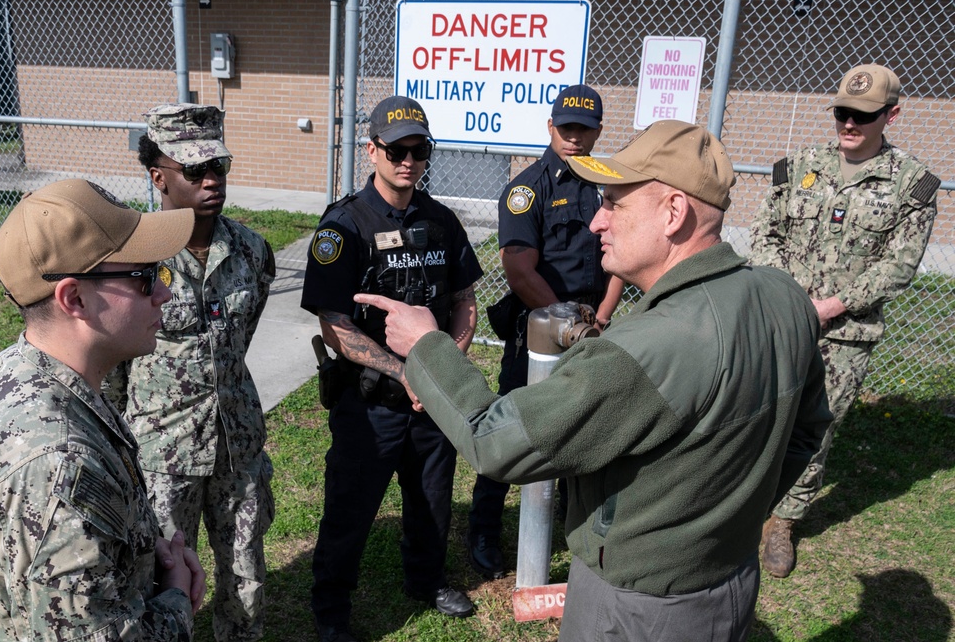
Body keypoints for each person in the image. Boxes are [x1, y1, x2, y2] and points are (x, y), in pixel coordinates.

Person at [355, 120, 833, 641]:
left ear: (673, 213)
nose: (596, 222)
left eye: (615, 204)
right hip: (731, 583)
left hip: (635, 608)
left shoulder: (646, 349)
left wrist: (427, 345)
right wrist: (726, 522)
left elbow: (496, 443)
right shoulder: (785, 298)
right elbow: (807, 432)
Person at [0, 178, 205, 640]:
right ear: (74, 298)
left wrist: (150, 556)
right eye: (146, 276)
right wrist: (175, 597)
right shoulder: (57, 465)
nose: (164, 294)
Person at [301, 95, 483, 642]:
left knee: (432, 499)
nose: (408, 160)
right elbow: (333, 323)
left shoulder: (442, 221)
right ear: (371, 149)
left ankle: (426, 580)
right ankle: (332, 605)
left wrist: (443, 367)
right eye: (397, 149)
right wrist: (407, 375)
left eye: (419, 149)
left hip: (432, 398)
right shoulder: (345, 226)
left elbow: (465, 300)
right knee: (350, 510)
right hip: (370, 401)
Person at [750, 63, 939, 578]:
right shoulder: (799, 165)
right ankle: (742, 504)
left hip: (845, 334)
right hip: (780, 317)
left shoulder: (912, 185)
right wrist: (787, 294)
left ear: (891, 114)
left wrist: (832, 306)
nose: (849, 124)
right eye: (842, 112)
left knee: (816, 425)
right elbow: (765, 234)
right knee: (758, 412)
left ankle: (784, 520)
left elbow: (898, 266)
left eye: (863, 115)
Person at [103, 103, 277, 641]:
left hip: (237, 446)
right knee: (162, 582)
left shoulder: (250, 250)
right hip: (163, 453)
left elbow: (240, 338)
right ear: (158, 176)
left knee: (244, 578)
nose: (210, 181)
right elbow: (111, 371)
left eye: (218, 168)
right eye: (194, 171)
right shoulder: (129, 260)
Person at [470, 84, 624, 579]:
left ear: (599, 131)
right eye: (566, 127)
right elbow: (519, 271)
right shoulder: (527, 188)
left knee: (583, 424)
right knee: (512, 428)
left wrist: (599, 318)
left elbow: (619, 254)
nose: (574, 136)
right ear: (550, 127)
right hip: (538, 328)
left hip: (591, 324)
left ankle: (569, 519)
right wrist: (568, 323)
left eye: (585, 128)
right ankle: (483, 531)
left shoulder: (610, 186)